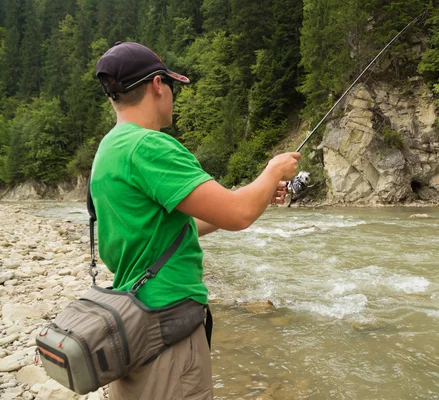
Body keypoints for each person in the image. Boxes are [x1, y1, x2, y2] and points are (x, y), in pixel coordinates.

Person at [91, 41, 300, 400]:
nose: (173, 95)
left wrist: (256, 196)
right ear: (158, 85)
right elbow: (238, 214)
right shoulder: (150, 147)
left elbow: (178, 229)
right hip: (167, 327)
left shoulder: (110, 149)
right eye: (171, 85)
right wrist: (273, 171)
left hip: (132, 322)